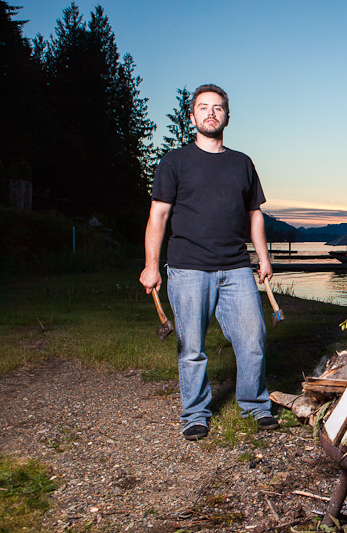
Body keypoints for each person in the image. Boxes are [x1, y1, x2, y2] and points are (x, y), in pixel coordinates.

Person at [139, 84, 278, 440]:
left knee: (253, 337)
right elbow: (159, 215)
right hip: (188, 268)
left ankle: (255, 405)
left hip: (235, 266)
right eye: (204, 107)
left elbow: (255, 215)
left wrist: (263, 259)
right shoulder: (175, 161)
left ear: (227, 117)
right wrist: (151, 266)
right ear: (193, 116)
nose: (211, 113)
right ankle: (195, 413)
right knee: (192, 347)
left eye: (218, 108)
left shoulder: (242, 163)